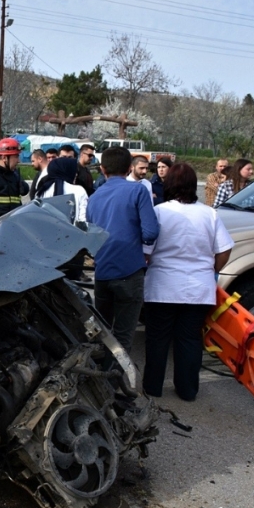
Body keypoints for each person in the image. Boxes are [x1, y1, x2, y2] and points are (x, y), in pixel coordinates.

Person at [142, 163, 234, 401]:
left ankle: (153, 388)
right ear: (194, 186)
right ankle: (187, 390)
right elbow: (224, 249)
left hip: (161, 286)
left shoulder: (159, 211)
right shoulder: (209, 214)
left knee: (158, 339)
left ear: (169, 185)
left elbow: (146, 251)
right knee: (189, 339)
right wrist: (212, 268)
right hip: (198, 289)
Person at [86, 147, 159, 356]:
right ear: (129, 168)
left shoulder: (95, 196)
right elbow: (151, 232)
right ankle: (119, 382)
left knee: (103, 335)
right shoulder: (137, 191)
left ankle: (102, 381)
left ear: (102, 169)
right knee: (123, 336)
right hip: (130, 271)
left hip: (102, 272)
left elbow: (91, 235)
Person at [34, 157, 87, 223]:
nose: (76, 174)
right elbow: (83, 221)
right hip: (72, 232)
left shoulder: (41, 191)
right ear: (67, 171)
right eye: (74, 171)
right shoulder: (79, 191)